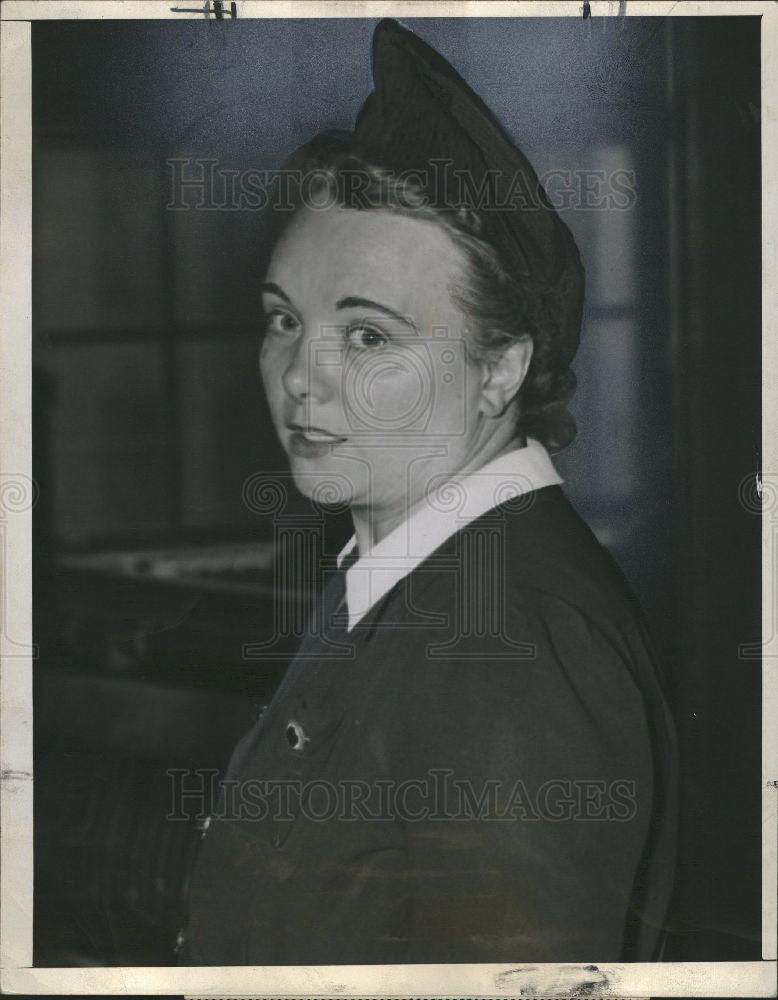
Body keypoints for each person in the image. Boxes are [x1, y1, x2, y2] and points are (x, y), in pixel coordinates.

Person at [180, 18, 678, 965]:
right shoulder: (415, 581)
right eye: (284, 319)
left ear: (500, 371)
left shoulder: (511, 641)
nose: (300, 379)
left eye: (368, 335)